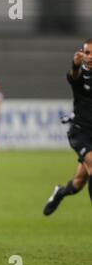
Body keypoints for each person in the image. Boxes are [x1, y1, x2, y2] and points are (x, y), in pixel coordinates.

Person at [44, 39, 92, 215]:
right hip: (80, 133)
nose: (90, 56)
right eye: (87, 53)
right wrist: (75, 64)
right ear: (81, 54)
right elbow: (73, 75)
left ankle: (60, 192)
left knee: (78, 183)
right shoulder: (80, 74)